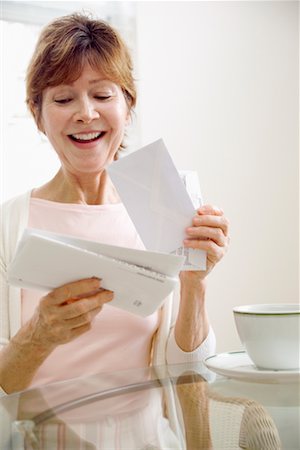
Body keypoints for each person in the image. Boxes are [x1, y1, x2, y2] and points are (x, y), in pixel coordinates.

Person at [0, 13, 229, 396]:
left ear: (128, 104)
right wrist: (37, 338)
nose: (86, 113)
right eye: (62, 98)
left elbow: (189, 373)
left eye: (103, 95)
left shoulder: (161, 211)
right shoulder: (8, 226)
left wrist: (194, 284)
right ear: (37, 113)